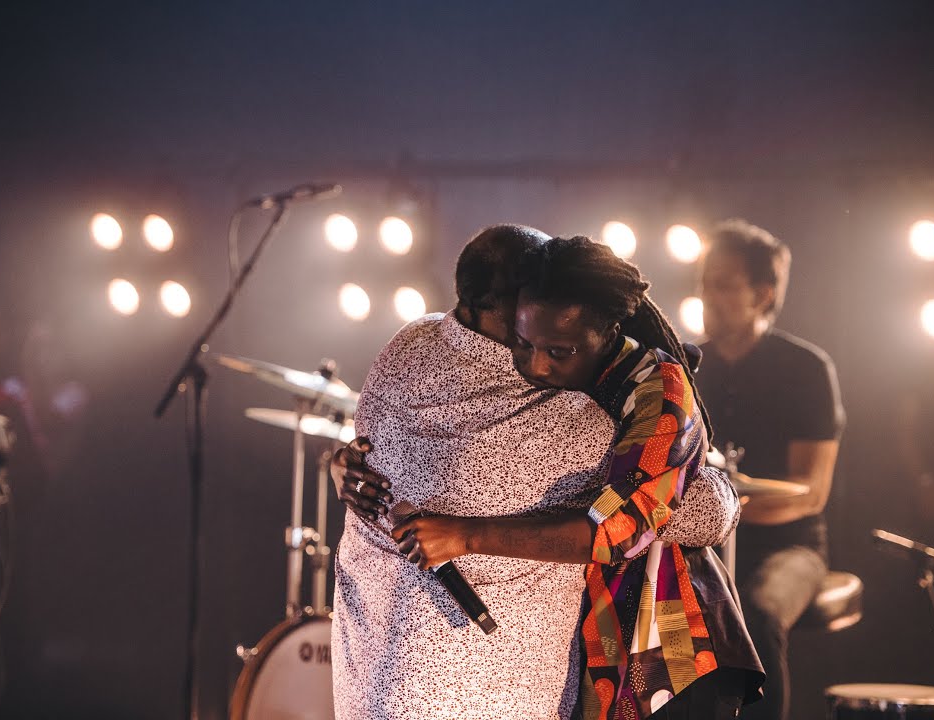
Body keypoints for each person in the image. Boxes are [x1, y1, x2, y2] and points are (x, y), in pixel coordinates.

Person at [329, 224, 744, 720]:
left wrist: (462, 534)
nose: (536, 365)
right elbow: (700, 510)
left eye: (556, 351)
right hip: (535, 661)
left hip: (658, 638)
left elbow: (621, 528)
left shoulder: (644, 400)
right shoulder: (565, 407)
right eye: (524, 342)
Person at [691, 218, 846, 720]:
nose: (707, 296)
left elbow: (811, 493)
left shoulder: (807, 369)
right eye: (704, 283)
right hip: (702, 543)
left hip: (789, 545)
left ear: (762, 294)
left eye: (722, 285)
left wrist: (725, 514)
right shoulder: (687, 367)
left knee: (754, 613)